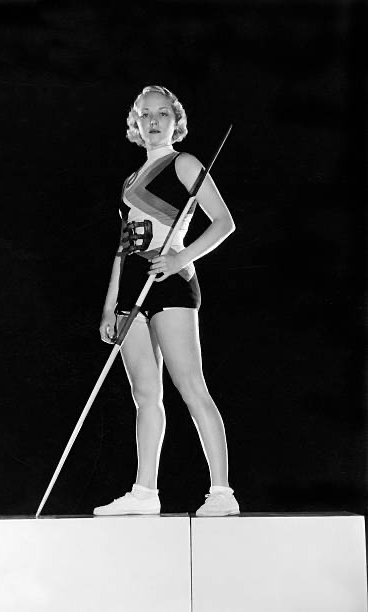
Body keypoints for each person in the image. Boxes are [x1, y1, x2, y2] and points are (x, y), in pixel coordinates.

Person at [94, 85, 239, 517]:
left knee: (191, 386)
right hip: (133, 286)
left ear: (176, 120)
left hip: (172, 281)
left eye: (162, 113)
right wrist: (110, 306)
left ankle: (222, 493)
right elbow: (124, 247)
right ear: (135, 123)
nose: (153, 121)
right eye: (145, 114)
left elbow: (224, 222)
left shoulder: (184, 163)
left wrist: (180, 259)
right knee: (144, 393)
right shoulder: (129, 182)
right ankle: (144, 493)